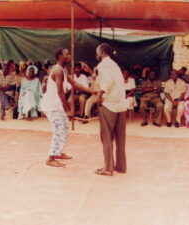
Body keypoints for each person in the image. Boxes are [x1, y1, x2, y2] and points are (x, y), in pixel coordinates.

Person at [41, 48, 95, 168]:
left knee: (64, 125)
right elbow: (60, 92)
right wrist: (68, 110)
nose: (69, 56)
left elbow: (75, 84)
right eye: (67, 54)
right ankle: (50, 158)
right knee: (59, 128)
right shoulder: (57, 70)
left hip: (56, 104)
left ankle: (58, 152)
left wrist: (92, 91)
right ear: (60, 56)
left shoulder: (63, 69)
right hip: (51, 105)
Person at [95, 43, 127, 176]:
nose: (96, 54)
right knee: (120, 138)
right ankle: (121, 166)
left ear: (102, 52)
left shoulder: (103, 65)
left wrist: (100, 94)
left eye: (97, 52)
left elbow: (107, 82)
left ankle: (108, 168)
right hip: (120, 104)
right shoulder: (114, 65)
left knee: (106, 137)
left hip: (109, 104)